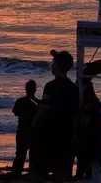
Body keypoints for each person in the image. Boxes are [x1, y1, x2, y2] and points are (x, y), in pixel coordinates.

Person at [31, 50, 79, 183]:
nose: (51, 65)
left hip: (48, 137)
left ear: (57, 65)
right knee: (61, 175)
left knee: (38, 174)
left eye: (53, 62)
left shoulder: (51, 87)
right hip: (66, 138)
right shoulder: (74, 89)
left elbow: (44, 110)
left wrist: (34, 127)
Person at [75, 81, 101, 179]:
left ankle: (82, 175)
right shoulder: (95, 105)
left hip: (87, 142)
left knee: (83, 164)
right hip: (93, 143)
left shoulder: (89, 107)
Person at [11, 79, 39, 177]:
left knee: (20, 155)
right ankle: (32, 174)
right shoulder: (38, 103)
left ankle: (15, 174)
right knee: (33, 155)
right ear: (35, 90)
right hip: (33, 133)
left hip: (22, 132)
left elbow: (15, 112)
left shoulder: (20, 101)